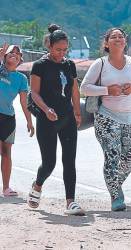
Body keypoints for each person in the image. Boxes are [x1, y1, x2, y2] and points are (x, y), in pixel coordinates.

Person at [80, 28, 131, 211]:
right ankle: (116, 196)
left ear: (125, 42)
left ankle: (115, 184)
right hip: (106, 117)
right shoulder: (100, 64)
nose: (118, 39)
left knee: (128, 159)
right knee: (112, 156)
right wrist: (106, 90)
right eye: (114, 37)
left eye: (121, 36)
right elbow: (85, 88)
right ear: (106, 43)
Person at [27, 24, 85, 215]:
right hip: (47, 119)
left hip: (67, 118)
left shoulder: (69, 65)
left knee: (70, 160)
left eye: (65, 50)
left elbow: (74, 90)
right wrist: (45, 109)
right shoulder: (40, 65)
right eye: (58, 50)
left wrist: (77, 112)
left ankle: (71, 202)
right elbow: (34, 93)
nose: (62, 53)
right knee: (49, 163)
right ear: (49, 47)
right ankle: (37, 184)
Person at [0, 44, 34, 197]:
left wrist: (29, 121)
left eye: (17, 54)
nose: (14, 54)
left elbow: (23, 102)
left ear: (20, 59)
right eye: (10, 52)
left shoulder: (21, 78)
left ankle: (6, 187)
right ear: (5, 56)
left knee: (6, 153)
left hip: (8, 118)